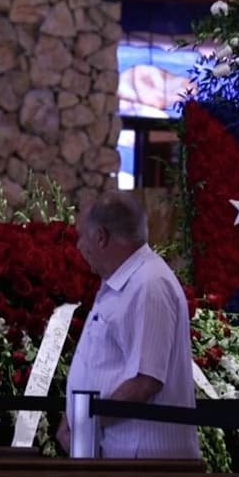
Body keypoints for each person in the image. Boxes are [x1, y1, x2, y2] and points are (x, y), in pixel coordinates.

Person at [57, 191, 199, 459]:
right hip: (122, 456)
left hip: (144, 465)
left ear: (101, 237)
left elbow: (146, 381)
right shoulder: (122, 281)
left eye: (81, 236)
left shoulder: (148, 284)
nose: (79, 246)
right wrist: (73, 415)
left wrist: (85, 422)